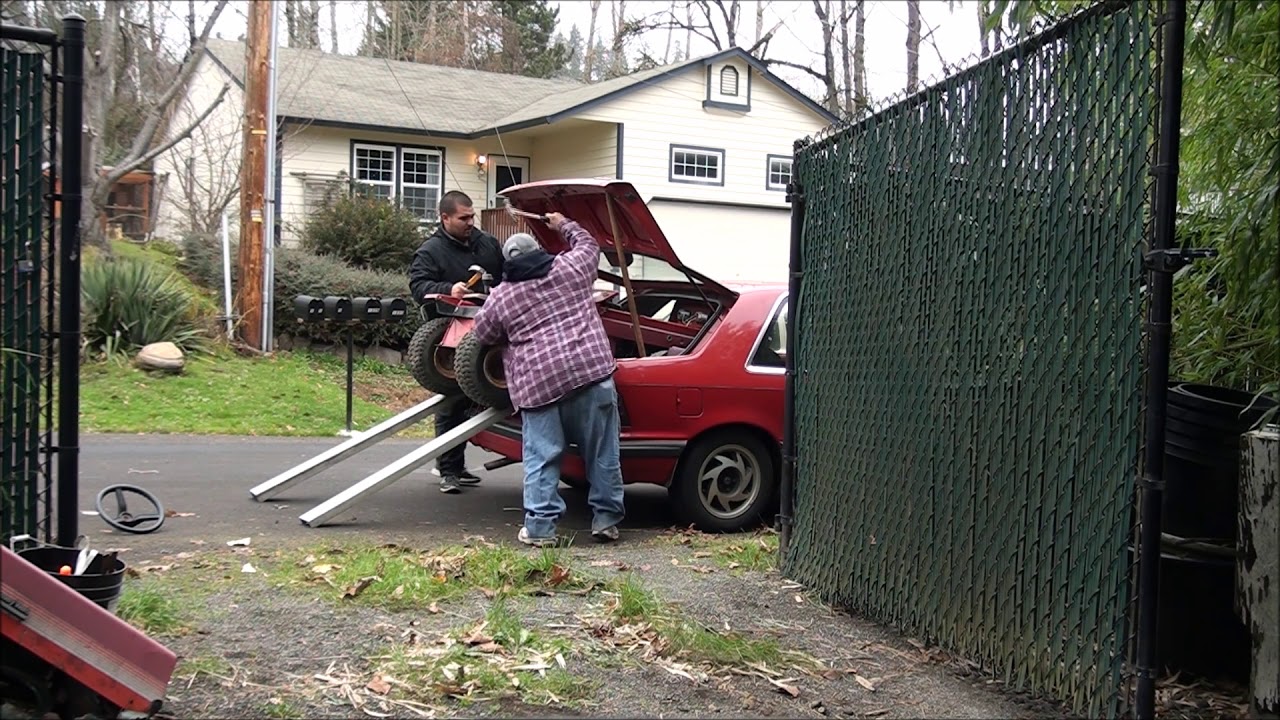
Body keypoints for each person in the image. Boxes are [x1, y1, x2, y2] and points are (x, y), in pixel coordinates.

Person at [470, 213, 625, 546]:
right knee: (602, 452)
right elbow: (588, 245)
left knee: (542, 456)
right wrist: (563, 223)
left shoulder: (502, 296)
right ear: (539, 250)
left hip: (539, 386)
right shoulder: (570, 268)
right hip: (590, 375)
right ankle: (607, 520)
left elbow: (482, 333)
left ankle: (541, 529)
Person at [408, 190, 504, 494]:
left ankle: (459, 468)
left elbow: (507, 275)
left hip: (489, 335)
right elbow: (418, 285)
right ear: (444, 217)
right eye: (463, 218)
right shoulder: (430, 251)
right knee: (451, 406)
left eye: (471, 216)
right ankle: (449, 470)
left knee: (474, 403)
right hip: (449, 341)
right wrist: (450, 288)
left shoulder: (486, 244)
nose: (469, 222)